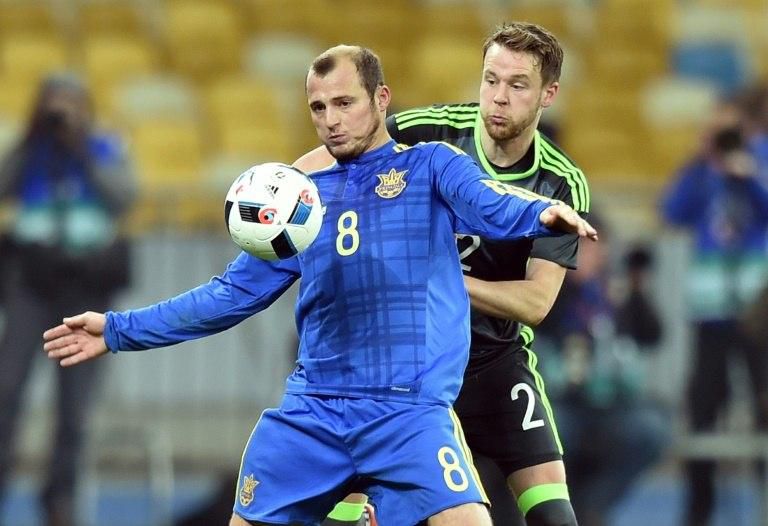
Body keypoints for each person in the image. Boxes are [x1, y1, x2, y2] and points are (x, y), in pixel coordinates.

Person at [43, 45, 596, 526]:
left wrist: (542, 214)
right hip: (314, 411)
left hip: (407, 412)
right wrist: (117, 330)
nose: (331, 120)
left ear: (382, 101)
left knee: (470, 518)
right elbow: (228, 296)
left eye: (344, 103)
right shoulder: (299, 206)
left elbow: (491, 203)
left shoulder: (430, 167)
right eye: (318, 107)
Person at [296, 23, 587, 526]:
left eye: (517, 86)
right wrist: (272, 193)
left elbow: (536, 303)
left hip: (493, 363)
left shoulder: (559, 185)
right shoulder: (426, 132)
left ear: (548, 95)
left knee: (554, 515)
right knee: (351, 515)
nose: (498, 98)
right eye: (490, 80)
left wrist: (434, 276)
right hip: (401, 362)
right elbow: (327, 160)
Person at [0, 73, 136, 526]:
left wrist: (79, 145)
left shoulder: (103, 147)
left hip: (85, 286)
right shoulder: (30, 149)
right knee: (6, 391)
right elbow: (4, 186)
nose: (60, 112)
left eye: (70, 103)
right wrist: (31, 133)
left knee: (74, 409)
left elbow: (123, 198)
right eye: (52, 104)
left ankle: (58, 502)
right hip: (31, 284)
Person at [660, 95, 768, 526]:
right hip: (709, 312)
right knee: (704, 408)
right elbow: (670, 212)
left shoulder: (759, 157)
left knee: (764, 406)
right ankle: (697, 509)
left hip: (759, 315)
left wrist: (751, 174)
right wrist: (700, 162)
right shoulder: (703, 169)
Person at [535, 228, 670, 526]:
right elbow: (537, 323)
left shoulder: (615, 292)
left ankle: (592, 508)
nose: (589, 256)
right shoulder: (549, 285)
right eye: (581, 247)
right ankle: (554, 512)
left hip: (612, 404)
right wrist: (571, 283)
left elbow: (653, 334)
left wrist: (636, 290)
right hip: (562, 401)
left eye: (596, 248)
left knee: (651, 429)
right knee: (549, 434)